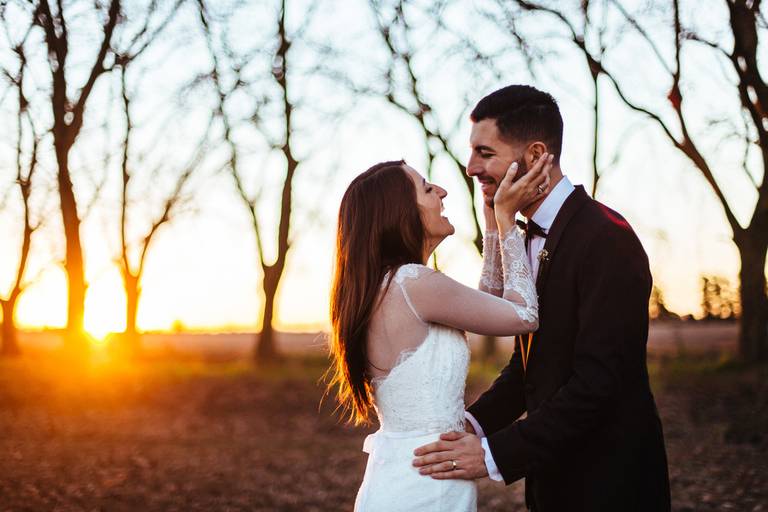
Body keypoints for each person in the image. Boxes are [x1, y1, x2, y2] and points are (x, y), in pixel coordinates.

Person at [412, 85, 671, 512]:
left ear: (534, 156)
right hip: (552, 479)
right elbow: (529, 368)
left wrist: (493, 454)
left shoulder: (607, 238)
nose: (471, 167)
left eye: (485, 153)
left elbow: (598, 382)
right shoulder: (523, 237)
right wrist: (471, 426)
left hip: (610, 482)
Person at [327, 153, 553, 512]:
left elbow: (488, 302)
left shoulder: (392, 285)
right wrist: (508, 220)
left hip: (407, 474)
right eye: (427, 188)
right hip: (424, 486)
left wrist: (492, 224)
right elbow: (523, 314)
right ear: (400, 212)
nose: (443, 192)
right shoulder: (415, 284)